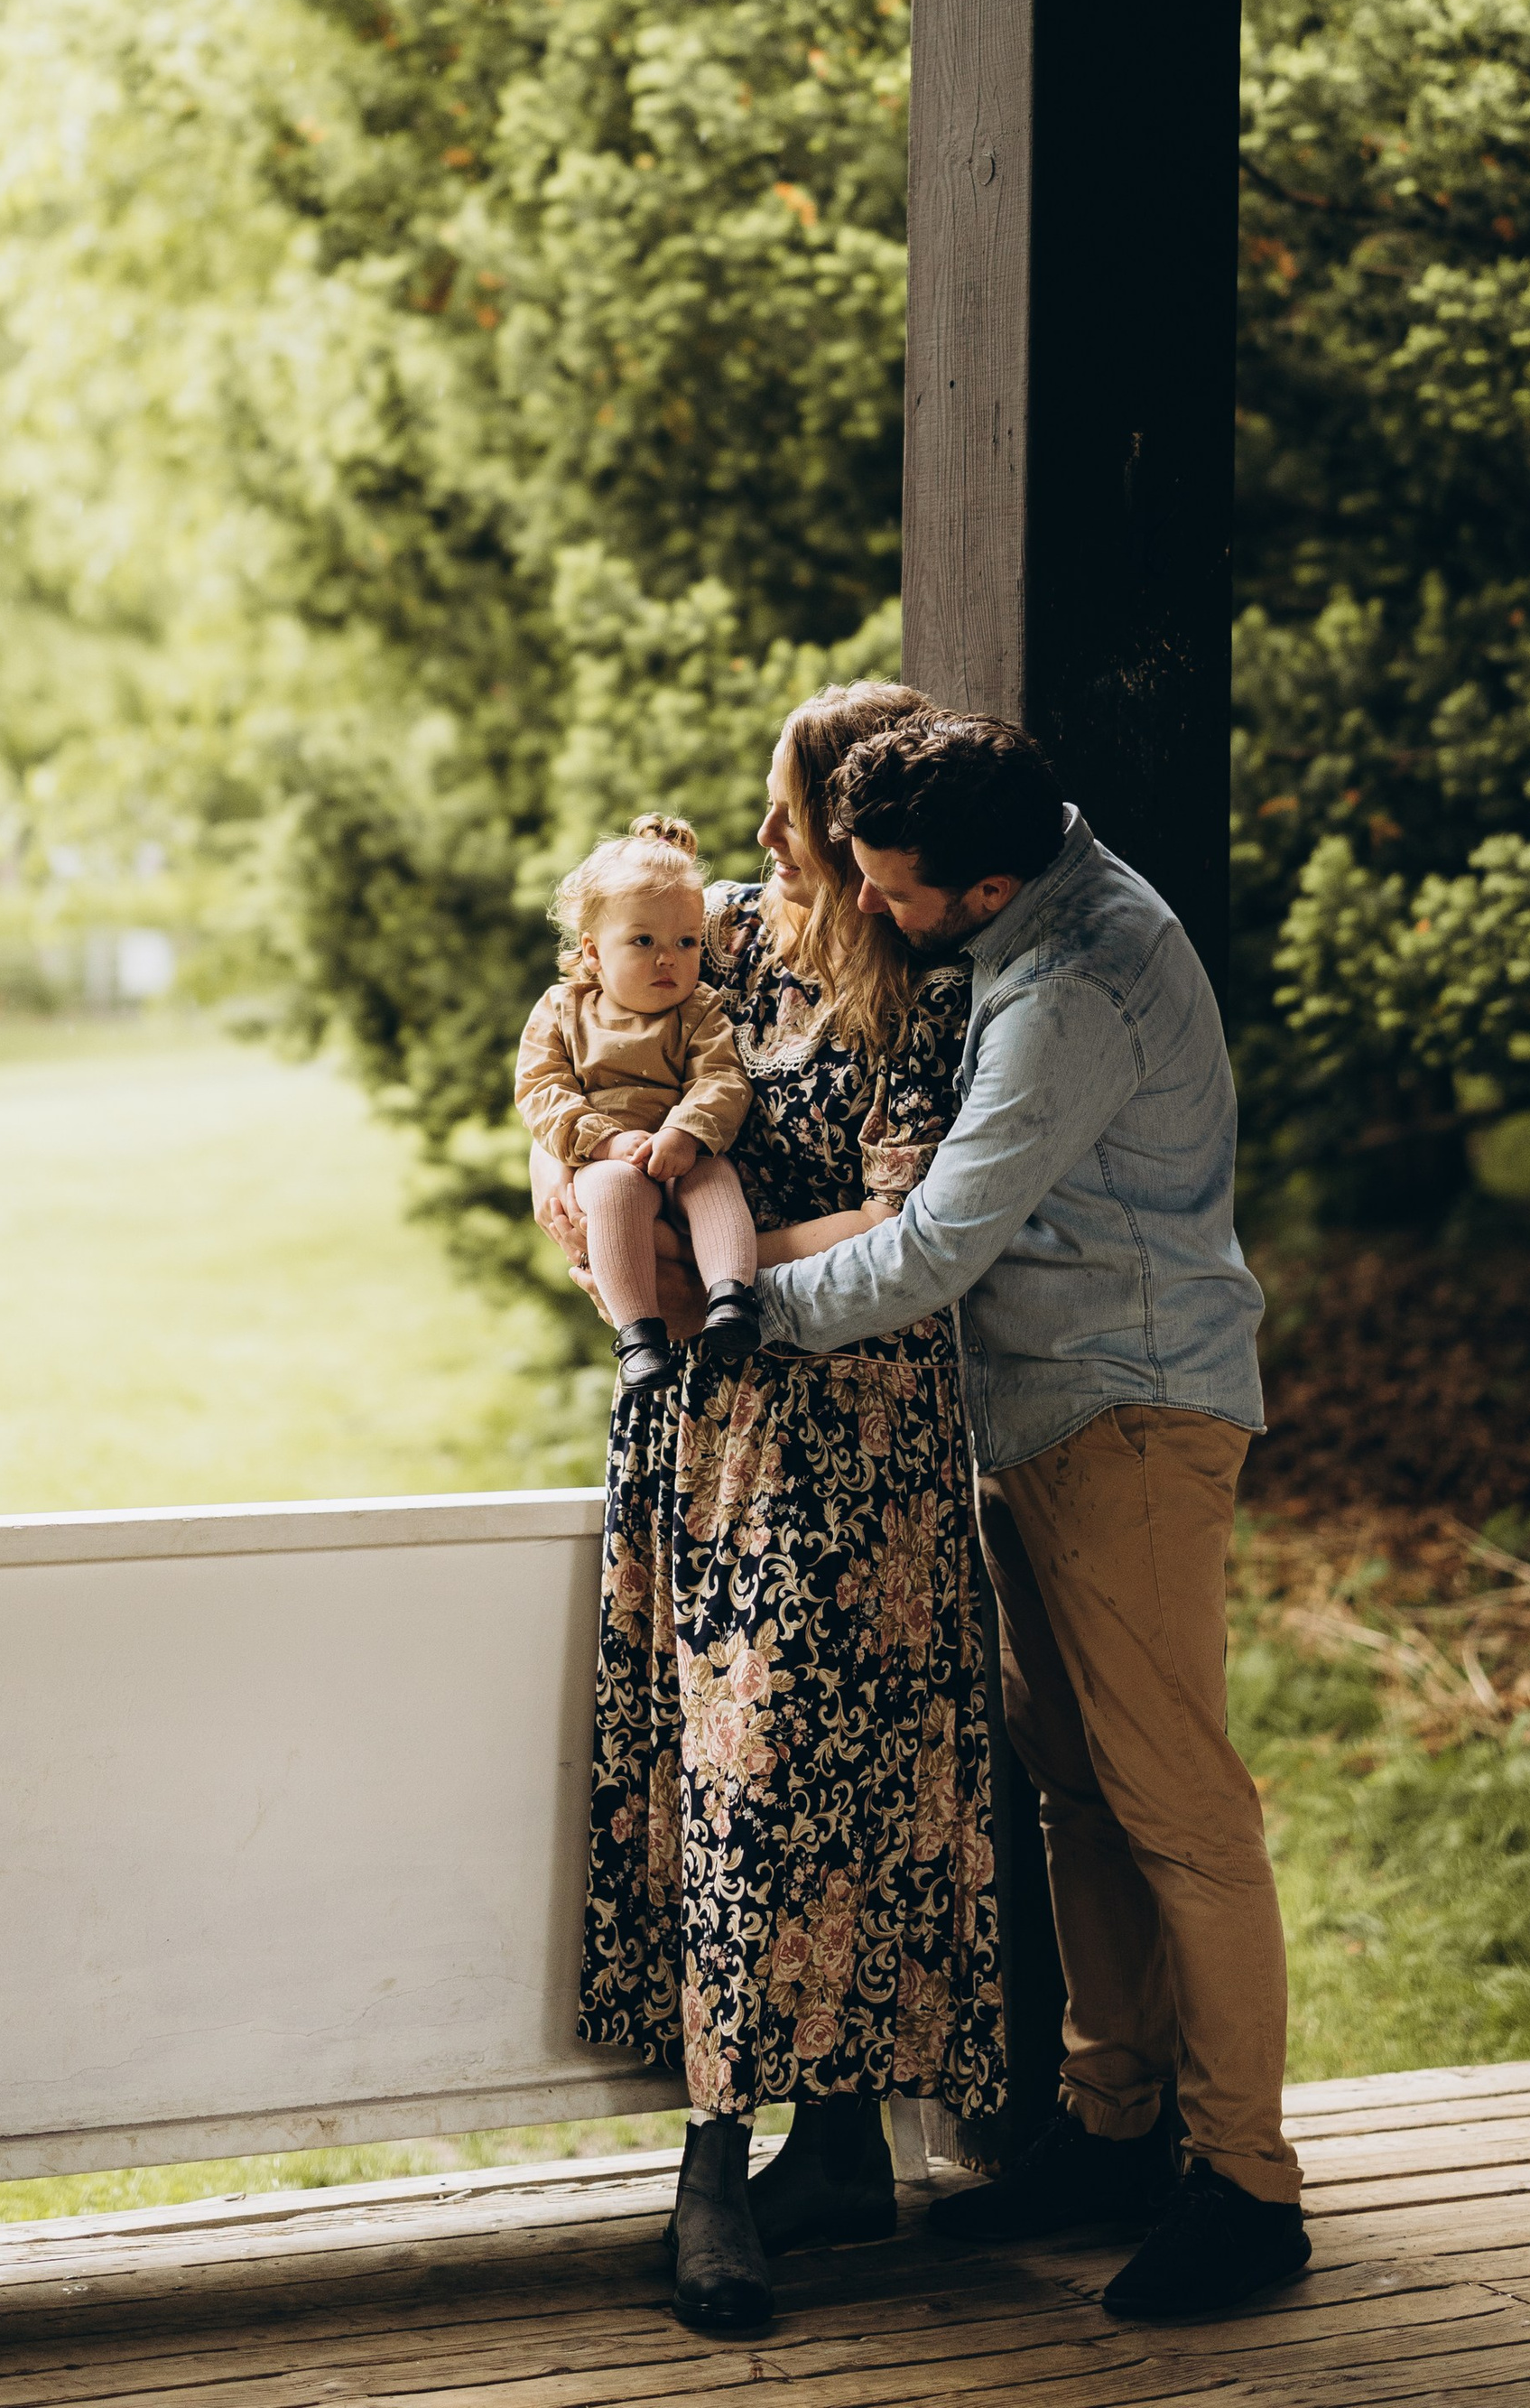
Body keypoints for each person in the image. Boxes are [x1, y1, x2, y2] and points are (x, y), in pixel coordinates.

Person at [750, 707, 1309, 2324]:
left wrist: (746, 1312)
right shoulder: (1019, 906)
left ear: (985, 889)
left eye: (892, 891)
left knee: (1180, 1810)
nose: (869, 911)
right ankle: (1113, 2130)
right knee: (1077, 1793)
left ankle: (1247, 2189)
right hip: (1049, 1409)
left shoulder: (1075, 985)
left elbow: (932, 1250)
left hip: (1129, 1416)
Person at [535, 682, 1005, 2338]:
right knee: (720, 1772)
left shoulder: (923, 1001)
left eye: (780, 812)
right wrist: (586, 1192)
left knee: (854, 1770)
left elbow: (911, 1224)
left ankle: (839, 2143)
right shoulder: (715, 941)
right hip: (707, 1423)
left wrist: (686, 1257)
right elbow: (565, 1043)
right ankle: (715, 2156)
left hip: (864, 1433)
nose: (752, 840)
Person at [515, 814, 759, 1390]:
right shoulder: (563, 1010)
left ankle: (730, 1299)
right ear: (594, 953)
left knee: (715, 1180)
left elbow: (723, 1078)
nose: (668, 958)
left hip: (678, 1149)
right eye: (643, 941)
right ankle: (638, 1333)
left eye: (686, 941)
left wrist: (687, 1134)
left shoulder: (700, 1011)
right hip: (608, 1158)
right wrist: (602, 1139)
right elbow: (541, 1088)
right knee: (612, 1192)